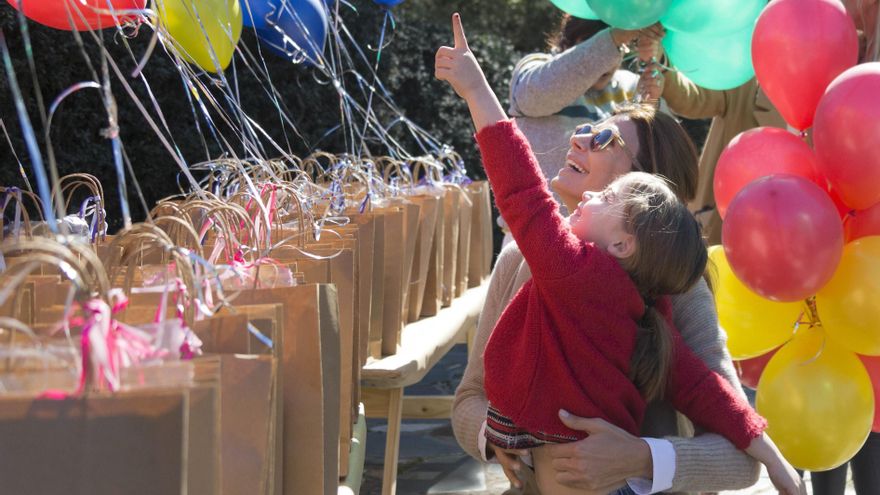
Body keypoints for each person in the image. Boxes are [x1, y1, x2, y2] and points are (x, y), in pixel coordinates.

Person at [435, 13, 804, 495]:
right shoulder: (519, 260)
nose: (578, 137)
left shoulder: (676, 290)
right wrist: (496, 437)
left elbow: (734, 455)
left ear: (644, 192)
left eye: (605, 139)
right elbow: (468, 399)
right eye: (589, 127)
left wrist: (639, 458)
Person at [638, 1, 880, 491]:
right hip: (779, 249)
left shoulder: (863, 72)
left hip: (863, 262)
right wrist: (658, 65)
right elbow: (701, 98)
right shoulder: (778, 55)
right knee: (814, 409)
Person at [499, 15, 660, 245]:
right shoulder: (535, 67)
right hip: (529, 235)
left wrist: (652, 97)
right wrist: (616, 36)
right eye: (591, 43)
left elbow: (652, 157)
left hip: (602, 243)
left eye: (618, 47)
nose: (581, 141)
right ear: (566, 45)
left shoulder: (630, 85)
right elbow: (532, 97)